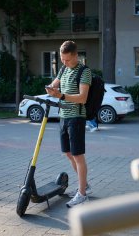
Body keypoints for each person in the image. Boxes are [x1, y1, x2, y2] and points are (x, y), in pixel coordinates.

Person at [45, 40, 92, 207]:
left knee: (78, 155)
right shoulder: (64, 68)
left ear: (76, 56)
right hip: (63, 117)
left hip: (77, 118)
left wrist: (61, 96)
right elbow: (54, 85)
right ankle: (84, 185)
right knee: (68, 153)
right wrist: (50, 89)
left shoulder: (84, 71)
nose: (64, 63)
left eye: (67, 60)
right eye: (61, 59)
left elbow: (82, 97)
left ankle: (82, 194)